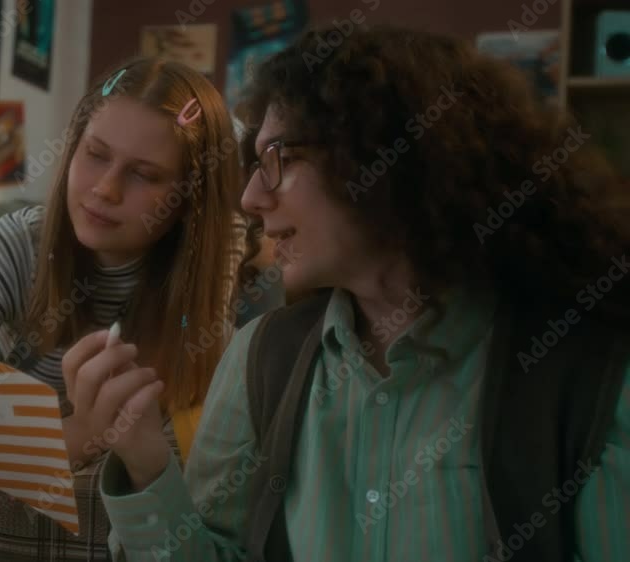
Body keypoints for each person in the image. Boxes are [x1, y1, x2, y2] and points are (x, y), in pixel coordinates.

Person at [67, 24, 630, 561]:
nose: (251, 199)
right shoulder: (260, 358)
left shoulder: (586, 370)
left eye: (277, 161)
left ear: (386, 161)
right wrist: (144, 461)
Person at [0, 56, 251, 559]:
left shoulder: (208, 281)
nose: (105, 188)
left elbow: (146, 437)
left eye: (144, 174)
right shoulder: (15, 246)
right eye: (95, 154)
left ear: (190, 201)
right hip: (8, 414)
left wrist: (67, 439)